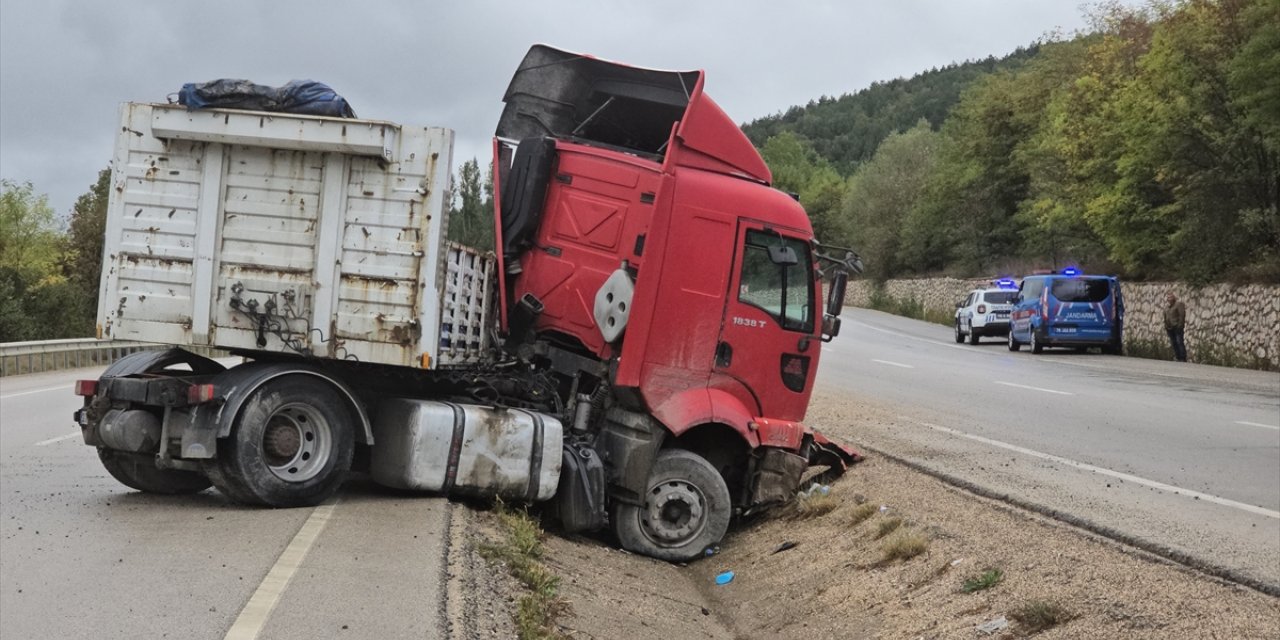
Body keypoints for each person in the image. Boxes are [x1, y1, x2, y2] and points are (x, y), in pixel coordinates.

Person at [1163, 292, 1187, 362]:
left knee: (1179, 341)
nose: (1169, 299)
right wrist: (1166, 325)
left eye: (1171, 297)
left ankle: (1183, 357)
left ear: (1174, 298)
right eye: (1168, 297)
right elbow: (1165, 317)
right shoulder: (1167, 307)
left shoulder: (1179, 304)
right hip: (1169, 328)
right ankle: (1177, 357)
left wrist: (1180, 325)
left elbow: (1182, 315)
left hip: (1177, 327)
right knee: (1173, 342)